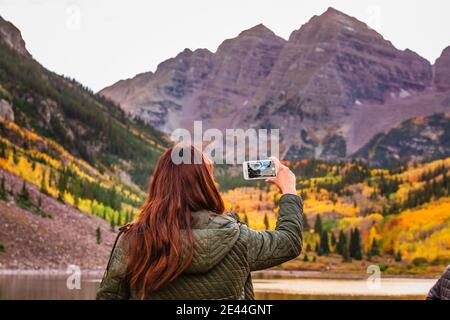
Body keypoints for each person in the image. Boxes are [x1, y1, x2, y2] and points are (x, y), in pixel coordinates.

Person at [96, 144, 303, 300]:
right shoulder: (238, 239)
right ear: (205, 185)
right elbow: (289, 242)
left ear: (160, 183)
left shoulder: (135, 241)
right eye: (210, 175)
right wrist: (289, 190)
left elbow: (108, 296)